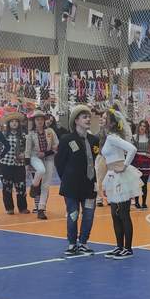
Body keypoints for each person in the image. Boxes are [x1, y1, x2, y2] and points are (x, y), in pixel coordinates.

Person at [55, 105, 99, 256]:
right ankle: (72, 244)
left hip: (89, 185)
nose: (88, 119)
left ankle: (84, 243)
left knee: (89, 215)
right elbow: (59, 162)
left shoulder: (94, 140)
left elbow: (95, 161)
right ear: (76, 121)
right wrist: (66, 178)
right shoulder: (67, 139)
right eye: (84, 117)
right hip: (71, 186)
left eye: (89, 117)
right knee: (73, 215)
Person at [99, 109, 141, 259]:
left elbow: (132, 149)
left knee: (123, 213)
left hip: (120, 177)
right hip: (112, 176)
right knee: (115, 214)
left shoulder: (113, 137)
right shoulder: (108, 137)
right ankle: (119, 246)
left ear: (111, 123)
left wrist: (124, 166)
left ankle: (128, 249)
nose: (102, 120)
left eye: (105, 118)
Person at [27, 110, 58, 220]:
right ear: (34, 121)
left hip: (48, 158)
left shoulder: (50, 131)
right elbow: (27, 150)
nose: (39, 121)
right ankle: (34, 185)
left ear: (44, 121)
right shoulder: (31, 134)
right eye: (37, 119)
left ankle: (41, 209)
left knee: (46, 185)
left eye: (41, 119)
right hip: (35, 157)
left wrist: (46, 153)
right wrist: (27, 163)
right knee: (41, 170)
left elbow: (56, 146)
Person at [0, 109, 29, 215]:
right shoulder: (3, 135)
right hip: (6, 164)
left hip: (19, 164)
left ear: (19, 123)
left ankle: (22, 207)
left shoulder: (23, 136)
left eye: (16, 121)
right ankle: (9, 208)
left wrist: (24, 154)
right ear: (8, 124)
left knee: (21, 186)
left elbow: (27, 148)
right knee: (7, 187)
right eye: (12, 121)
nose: (14, 123)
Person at [131, 120, 150, 209]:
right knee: (136, 183)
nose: (142, 127)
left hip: (146, 162)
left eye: (144, 126)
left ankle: (144, 203)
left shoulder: (149, 137)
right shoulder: (134, 137)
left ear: (147, 128)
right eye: (141, 126)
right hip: (135, 162)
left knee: (144, 183)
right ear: (138, 127)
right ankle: (136, 202)